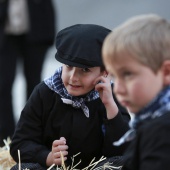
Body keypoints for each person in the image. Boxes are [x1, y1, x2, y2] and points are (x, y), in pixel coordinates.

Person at [10, 24, 130, 170]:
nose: (73, 77)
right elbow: (19, 143)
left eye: (85, 70)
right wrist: (46, 157)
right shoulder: (44, 93)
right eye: (68, 66)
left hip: (95, 168)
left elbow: (123, 151)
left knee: (123, 164)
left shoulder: (111, 96)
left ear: (104, 71)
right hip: (52, 168)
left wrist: (110, 107)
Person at [102, 14, 170, 170]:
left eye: (127, 74)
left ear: (166, 72)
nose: (118, 88)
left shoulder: (161, 132)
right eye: (114, 76)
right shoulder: (154, 121)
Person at [0, 0, 56, 146]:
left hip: (36, 28)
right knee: (3, 85)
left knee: (34, 84)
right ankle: (5, 139)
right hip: (5, 33)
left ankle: (32, 133)